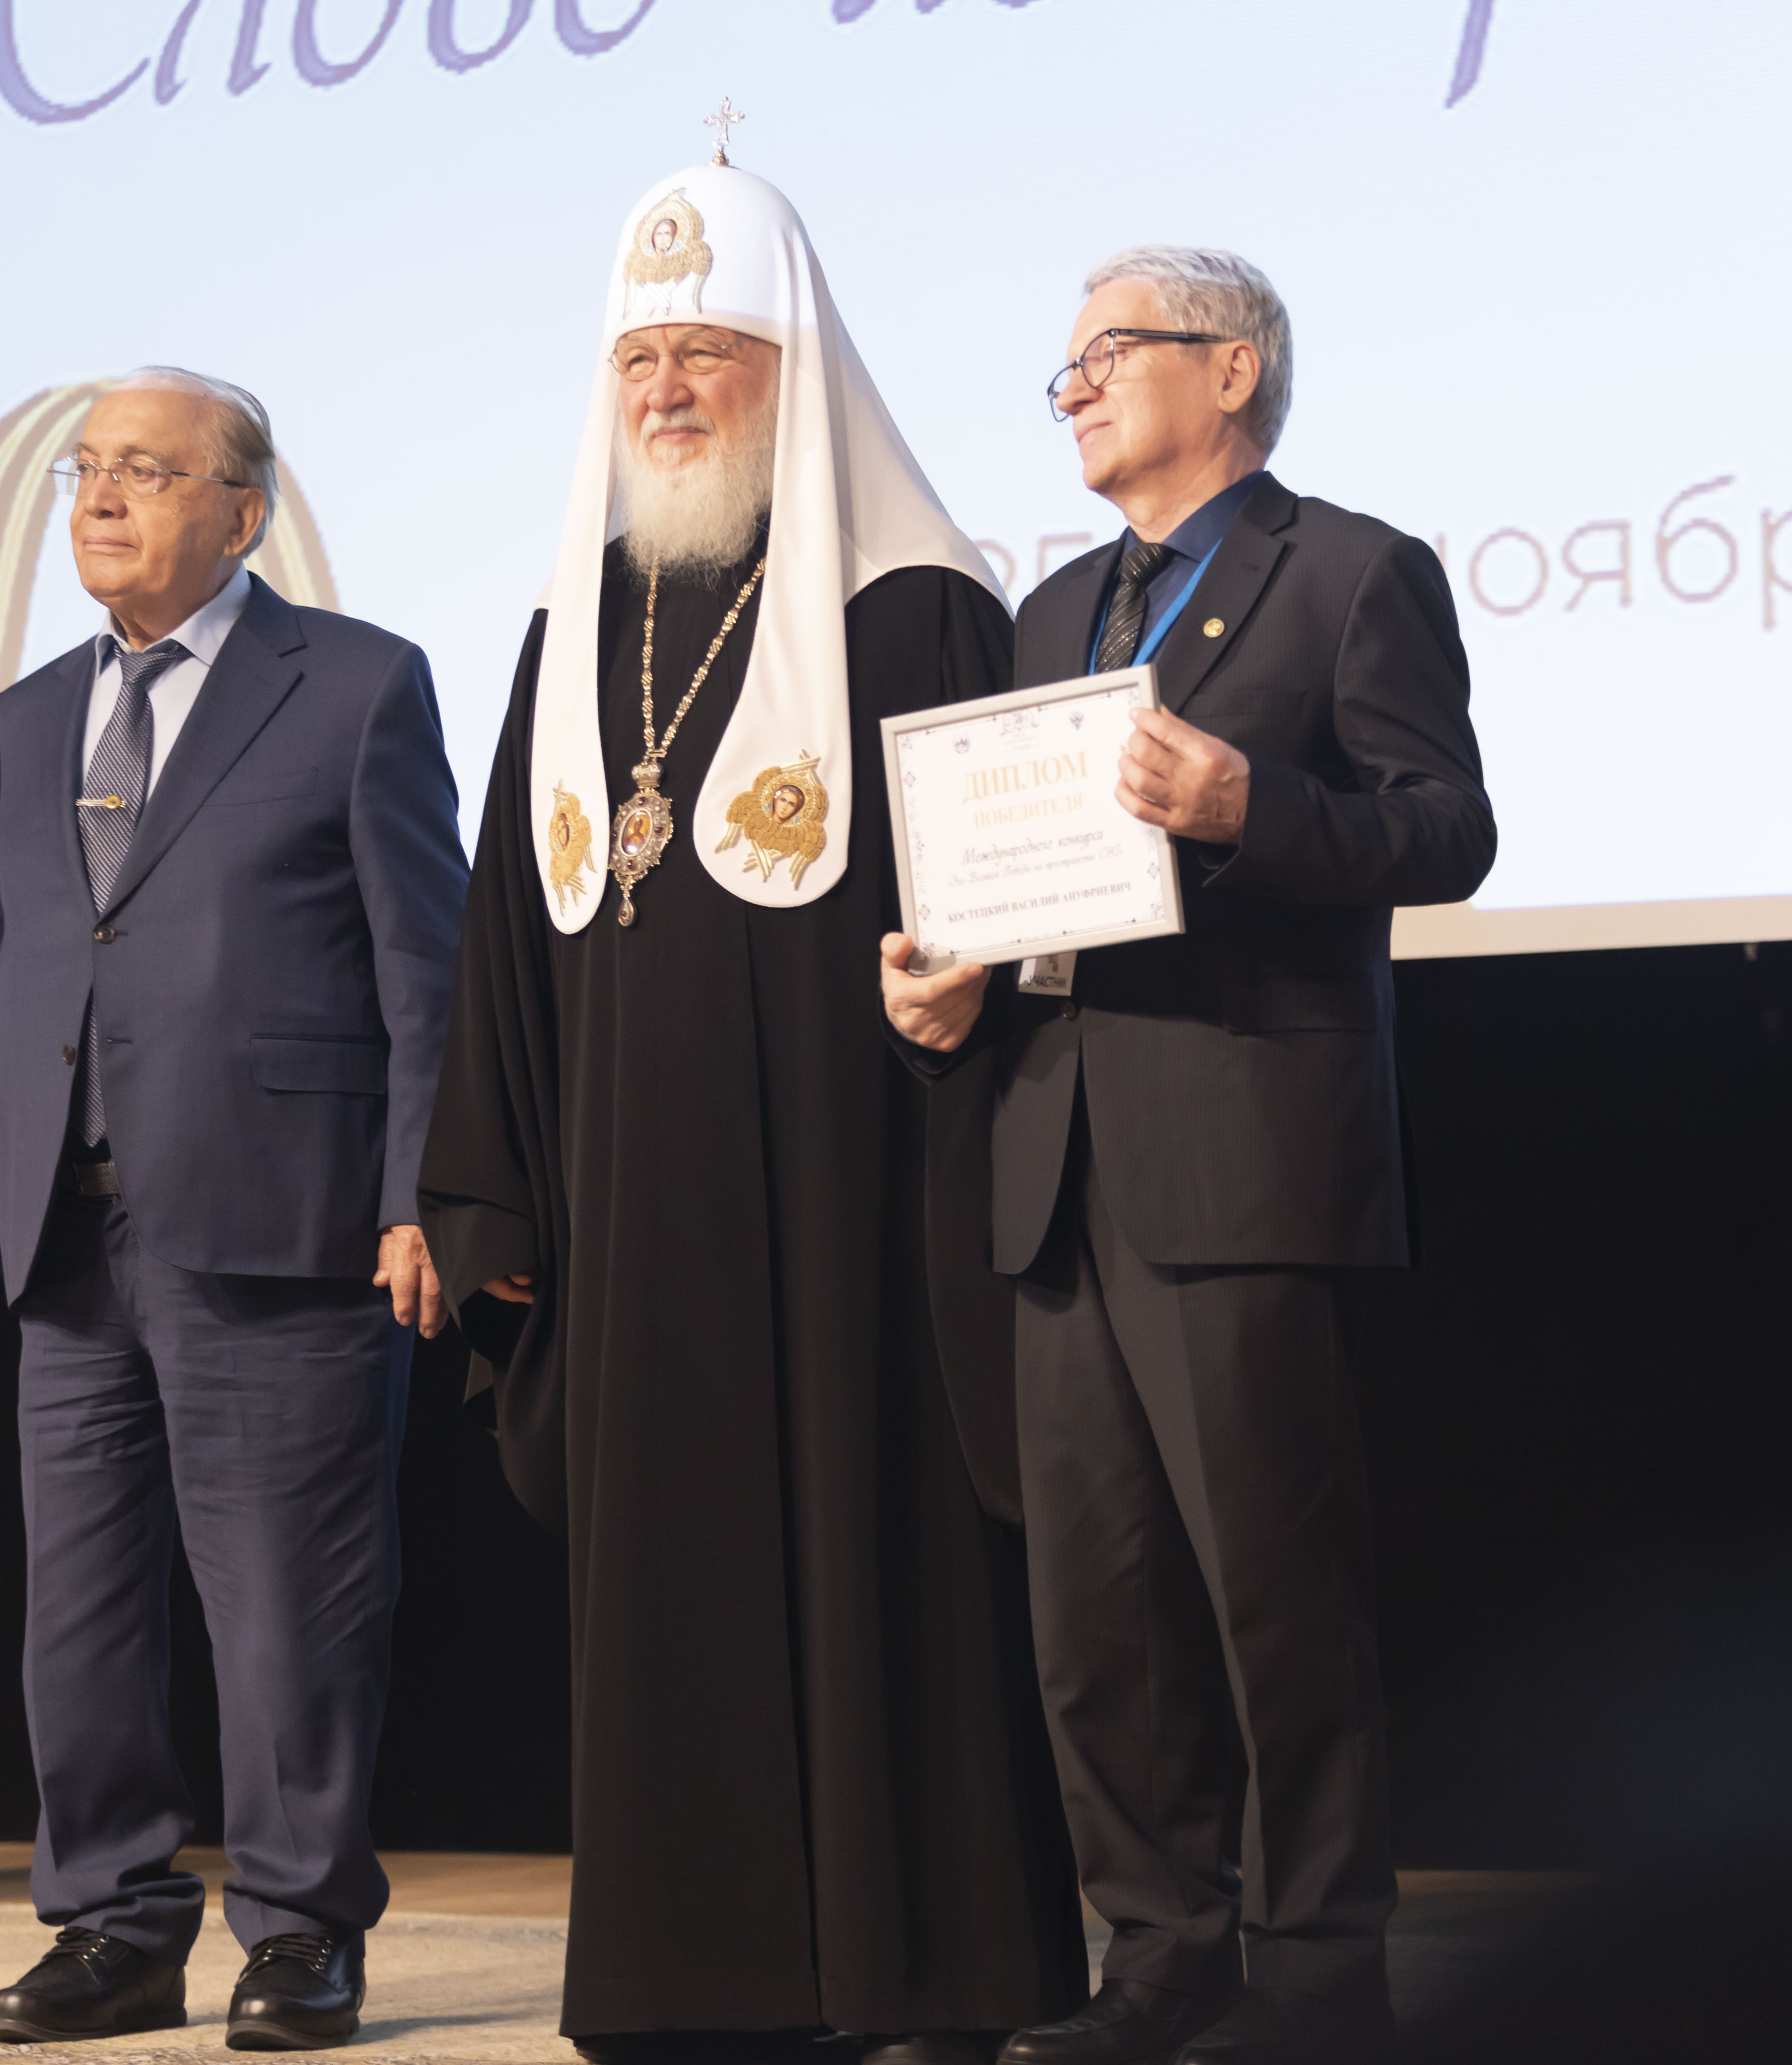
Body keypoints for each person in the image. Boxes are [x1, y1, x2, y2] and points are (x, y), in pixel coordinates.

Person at [418, 159, 1088, 2060]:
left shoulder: (918, 607)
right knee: (667, 1596)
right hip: (630, 1217)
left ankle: (925, 1971)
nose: (667, 391)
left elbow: (1014, 907)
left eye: (707, 351)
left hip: (854, 1196)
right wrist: (490, 1198)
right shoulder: (570, 631)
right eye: (639, 358)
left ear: (795, 367)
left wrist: (970, 995)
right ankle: (685, 1982)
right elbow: (503, 935)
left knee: (884, 1562)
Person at [881, 248, 1498, 2065]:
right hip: (1053, 1156)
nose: (1071, 387)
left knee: (1272, 1601)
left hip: (1246, 1158)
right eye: (1062, 368)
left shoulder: (1353, 572)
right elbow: (1026, 879)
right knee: (1099, 1616)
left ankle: (1316, 1978)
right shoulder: (1054, 606)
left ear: (1233, 371)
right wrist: (951, 986)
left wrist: (1252, 807)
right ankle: (1160, 1954)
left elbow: (1447, 831)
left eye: (1106, 352)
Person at [0, 369, 465, 2049]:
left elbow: (426, 971)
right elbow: (10, 991)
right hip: (65, 1242)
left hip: (280, 1226)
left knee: (292, 1617)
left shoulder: (358, 686)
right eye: (86, 469)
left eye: (146, 471)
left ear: (243, 510)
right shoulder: (30, 717)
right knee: (77, 1621)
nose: (100, 496)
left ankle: (300, 1930)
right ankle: (114, 1923)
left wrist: (422, 1194)